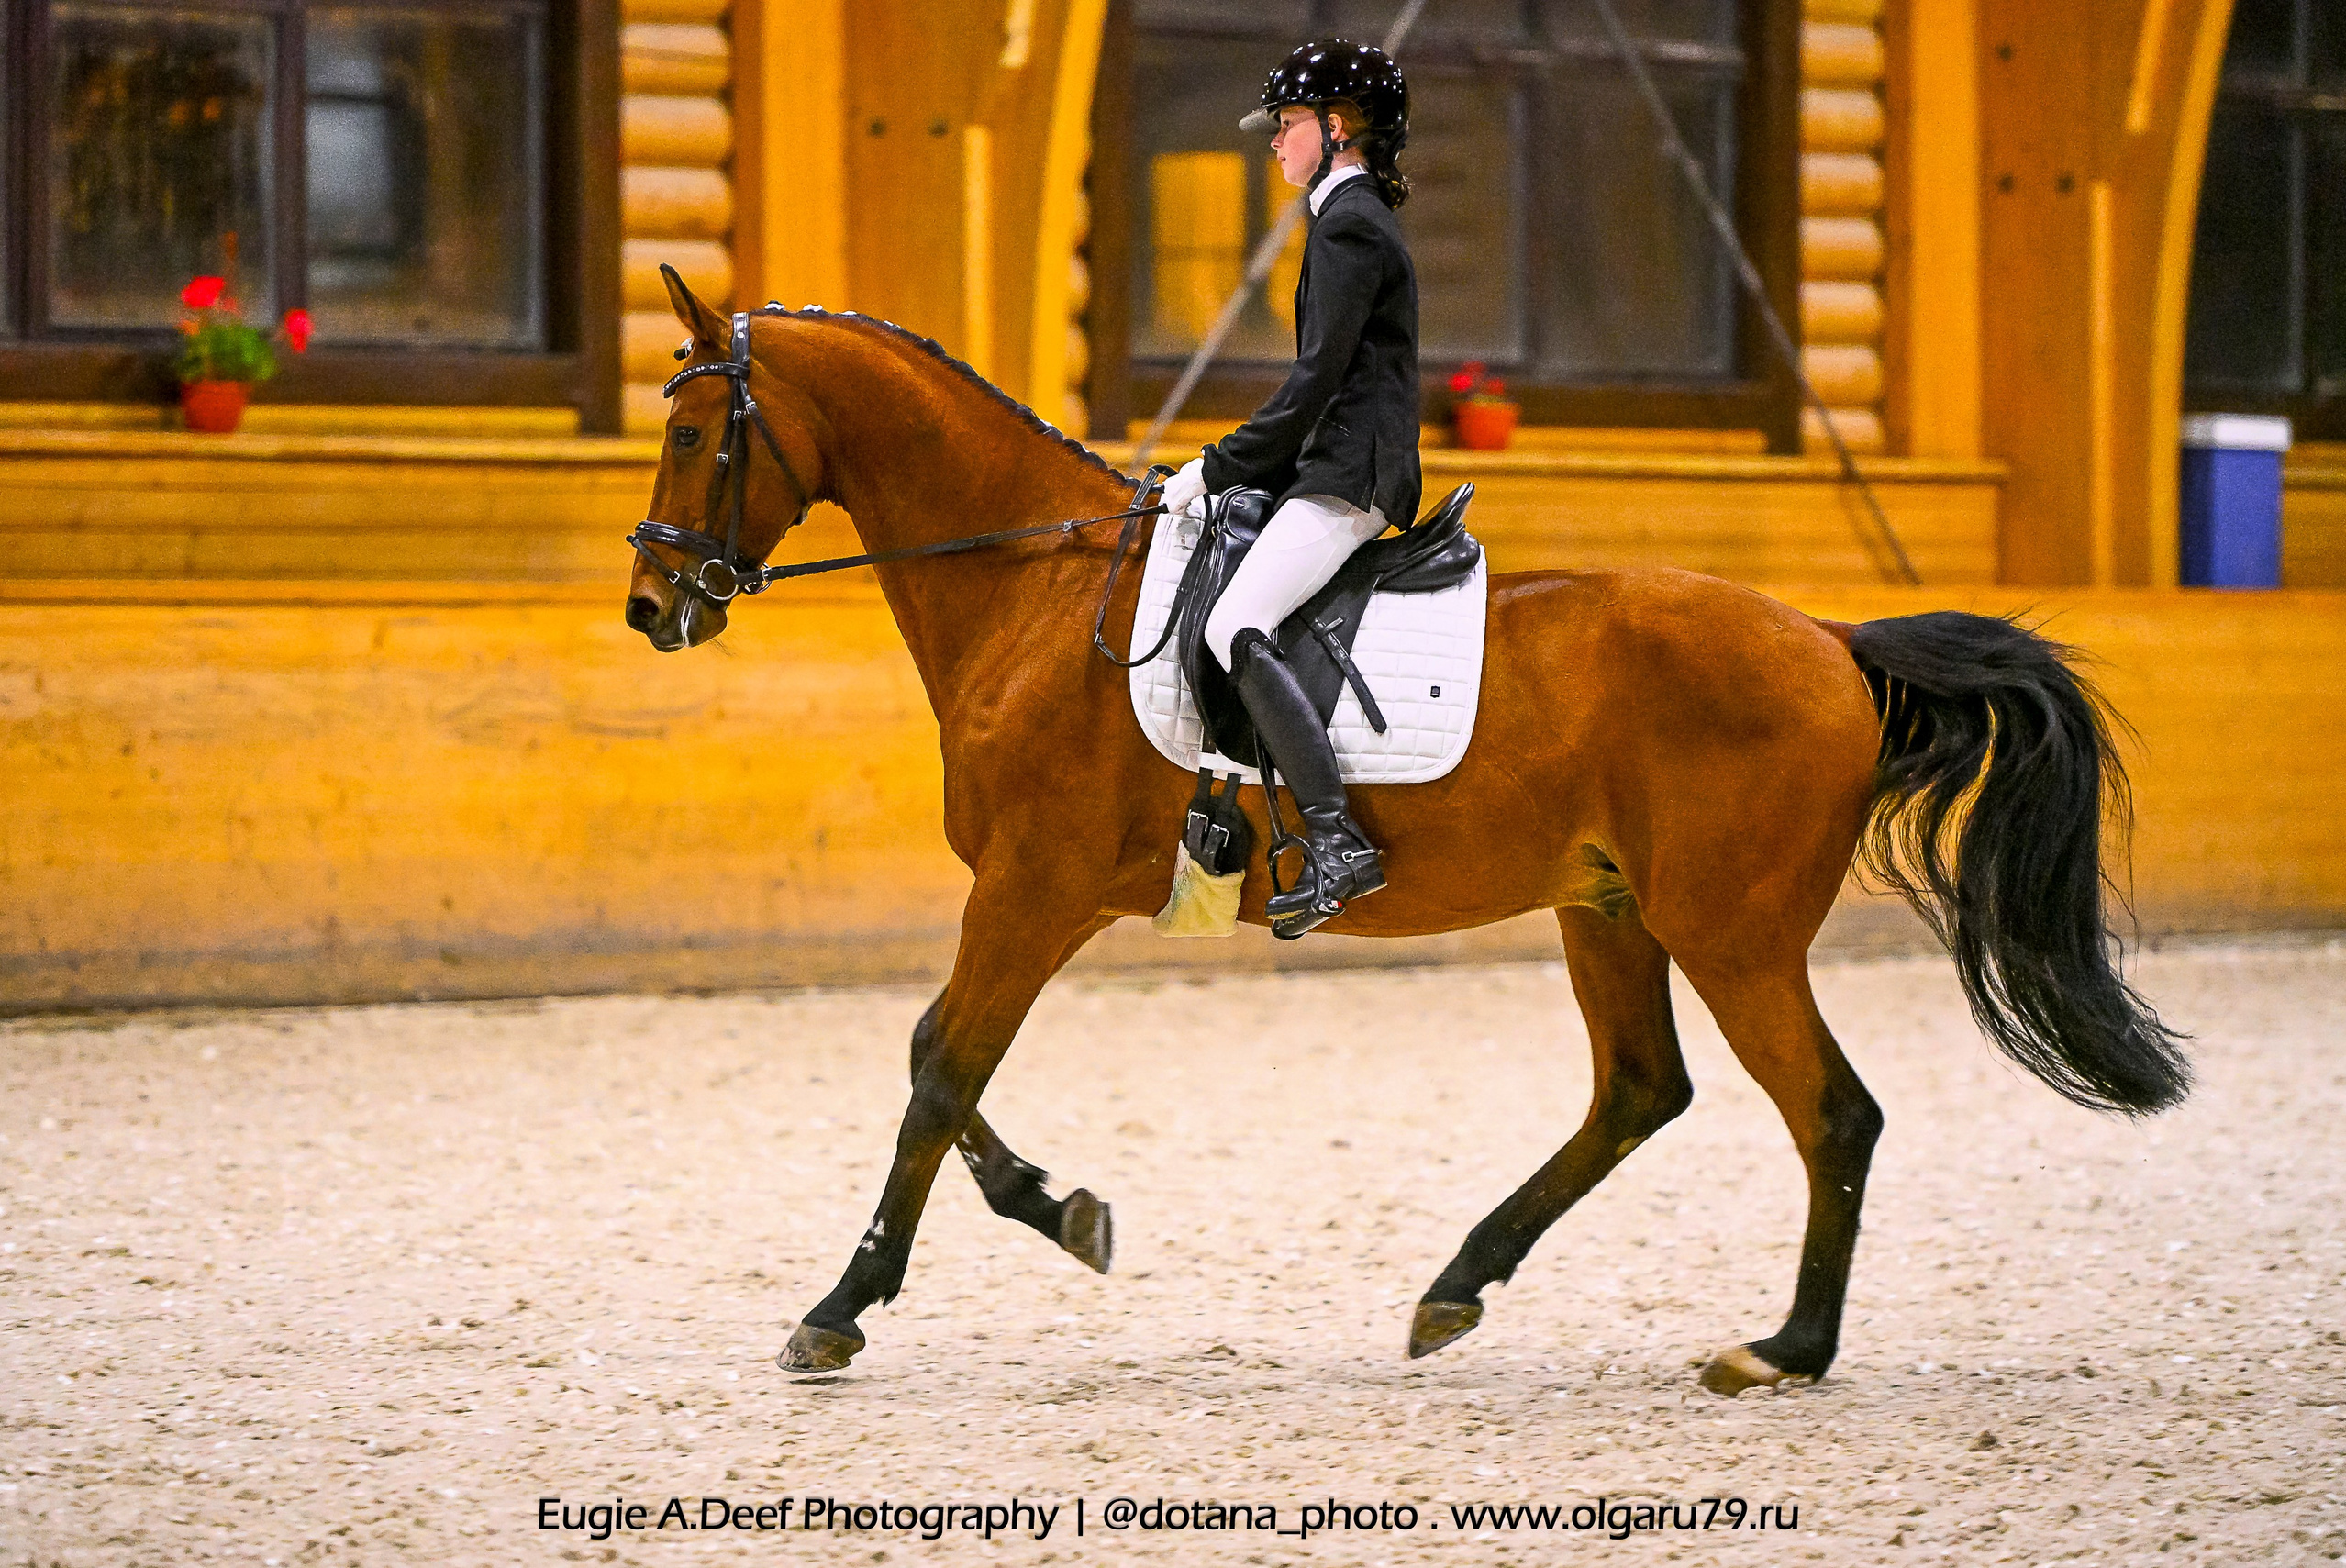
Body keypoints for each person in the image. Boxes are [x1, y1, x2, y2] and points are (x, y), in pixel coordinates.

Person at [1159, 39, 1420, 938]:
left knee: (1234, 622)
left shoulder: (1349, 224)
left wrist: (1218, 465)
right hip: (1338, 462)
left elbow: (1314, 385)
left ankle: (1338, 841)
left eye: (1286, 125)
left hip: (1351, 472)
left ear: (1336, 126)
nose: (1274, 141)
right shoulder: (1344, 218)